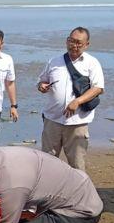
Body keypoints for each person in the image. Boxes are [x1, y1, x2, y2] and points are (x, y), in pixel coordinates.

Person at [37, 27, 104, 171]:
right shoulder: (54, 61)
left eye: (79, 43)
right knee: (47, 162)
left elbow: (98, 88)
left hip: (77, 122)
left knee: (77, 164)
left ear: (87, 44)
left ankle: (78, 193)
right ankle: (48, 191)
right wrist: (42, 86)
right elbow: (42, 81)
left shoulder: (92, 63)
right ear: (67, 41)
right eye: (71, 41)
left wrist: (77, 101)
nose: (74, 45)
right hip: (53, 119)